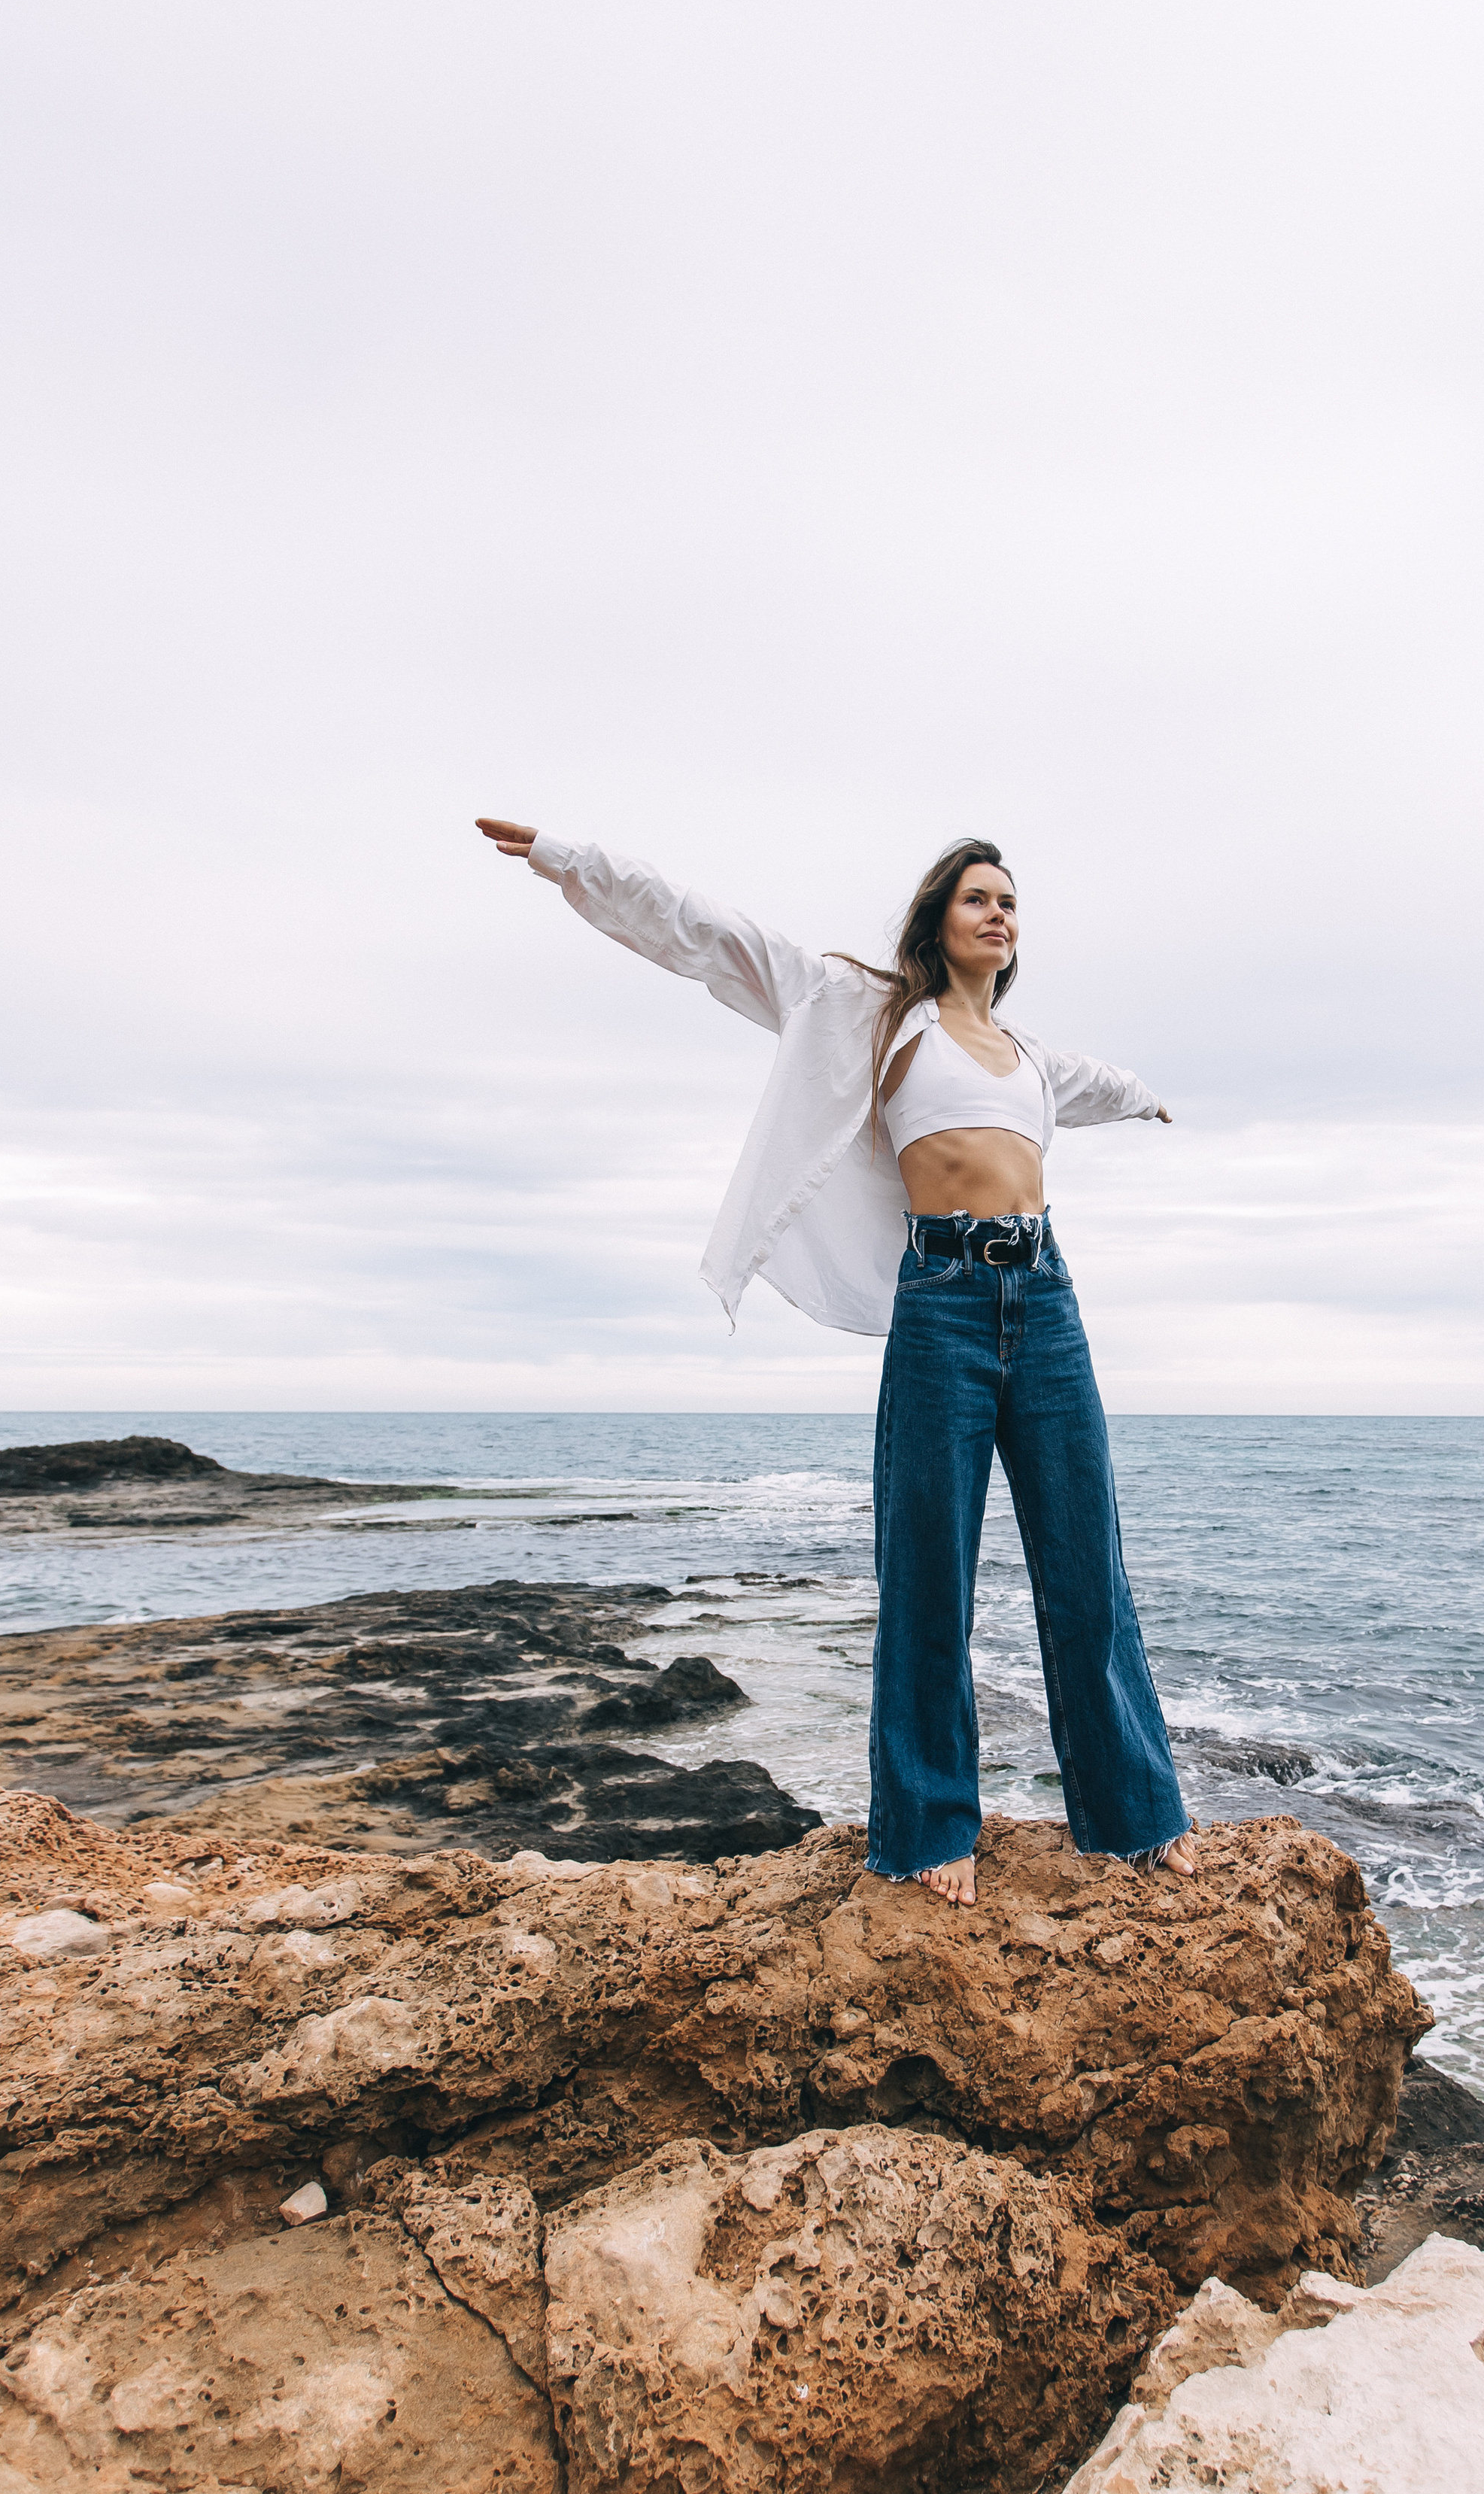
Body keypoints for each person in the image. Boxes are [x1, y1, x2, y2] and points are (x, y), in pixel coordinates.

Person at [479, 816, 1196, 1908]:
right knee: (929, 1571)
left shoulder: (1033, 1060)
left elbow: (1096, 1083)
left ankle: (1138, 1817)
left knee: (1086, 1565)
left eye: (1010, 902)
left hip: (1046, 1298)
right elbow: (711, 937)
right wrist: (571, 858)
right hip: (944, 1302)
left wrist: (1147, 1098)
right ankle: (927, 1829)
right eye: (978, 898)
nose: (999, 913)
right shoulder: (873, 1015)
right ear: (937, 918)